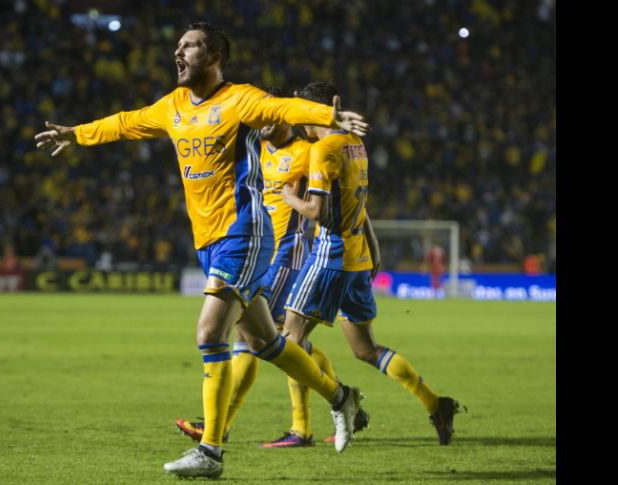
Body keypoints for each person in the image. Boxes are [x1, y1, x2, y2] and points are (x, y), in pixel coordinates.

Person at [34, 23, 368, 479]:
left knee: (211, 334)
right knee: (265, 343)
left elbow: (282, 106)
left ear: (213, 57)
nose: (178, 52)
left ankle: (210, 452)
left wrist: (331, 118)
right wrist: (78, 134)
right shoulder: (172, 107)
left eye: (188, 46)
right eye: (177, 46)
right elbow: (126, 122)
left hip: (244, 233)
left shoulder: (238, 99)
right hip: (208, 241)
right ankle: (342, 398)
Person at [174, 87, 369, 449]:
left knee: (252, 337)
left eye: (267, 118)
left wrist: (366, 238)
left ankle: (249, 428)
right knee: (263, 337)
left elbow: (339, 192)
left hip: (287, 253)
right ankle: (339, 400)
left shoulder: (305, 152)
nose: (261, 124)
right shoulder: (256, 150)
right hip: (259, 253)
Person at [279, 81, 461, 447]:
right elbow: (356, 203)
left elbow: (317, 210)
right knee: (365, 350)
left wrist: (289, 198)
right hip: (358, 257)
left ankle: (329, 411)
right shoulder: (355, 145)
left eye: (302, 109)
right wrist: (374, 247)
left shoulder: (324, 149)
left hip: (330, 258)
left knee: (289, 342)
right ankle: (435, 403)